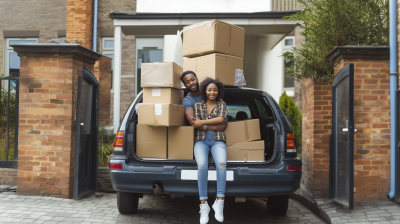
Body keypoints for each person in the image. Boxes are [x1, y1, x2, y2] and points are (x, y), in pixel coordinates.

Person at [191, 77, 228, 224]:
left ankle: (219, 202)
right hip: (201, 140)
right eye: (209, 90)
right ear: (205, 91)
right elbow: (195, 124)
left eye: (215, 90)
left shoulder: (222, 104)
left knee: (222, 164)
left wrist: (203, 123)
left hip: (218, 139)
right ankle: (203, 205)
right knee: (202, 165)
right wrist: (206, 125)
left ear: (218, 91)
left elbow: (221, 120)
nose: (212, 92)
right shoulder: (198, 105)